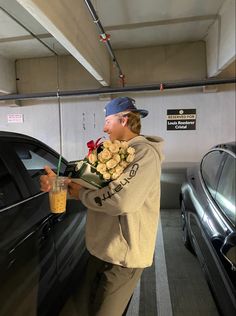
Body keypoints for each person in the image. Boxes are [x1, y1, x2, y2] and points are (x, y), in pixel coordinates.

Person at [40, 96, 164, 316]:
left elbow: (122, 199)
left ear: (124, 120)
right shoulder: (110, 151)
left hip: (123, 256)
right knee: (84, 308)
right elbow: (87, 181)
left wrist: (82, 195)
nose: (104, 128)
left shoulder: (144, 154)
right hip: (101, 248)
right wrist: (57, 183)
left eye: (108, 121)